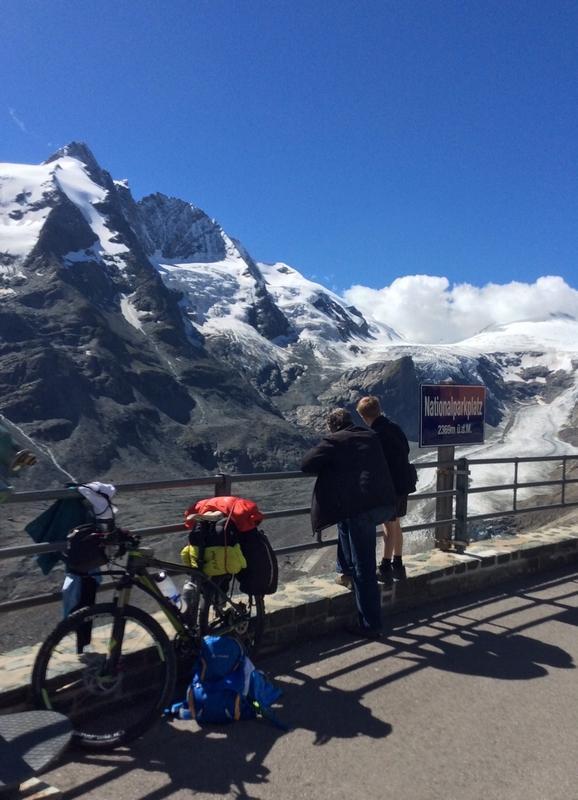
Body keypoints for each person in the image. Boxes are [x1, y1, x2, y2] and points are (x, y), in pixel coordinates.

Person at [301, 408, 396, 639]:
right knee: (346, 527)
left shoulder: (334, 440)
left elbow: (307, 464)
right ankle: (344, 570)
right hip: (384, 502)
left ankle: (371, 624)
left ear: (332, 426)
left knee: (364, 567)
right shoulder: (369, 435)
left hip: (361, 508)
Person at [356, 396, 415, 584]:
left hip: (389, 486)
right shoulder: (394, 427)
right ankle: (398, 562)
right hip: (403, 483)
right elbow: (406, 449)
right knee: (396, 523)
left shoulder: (375, 435)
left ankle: (385, 566)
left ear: (363, 416)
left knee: (388, 525)